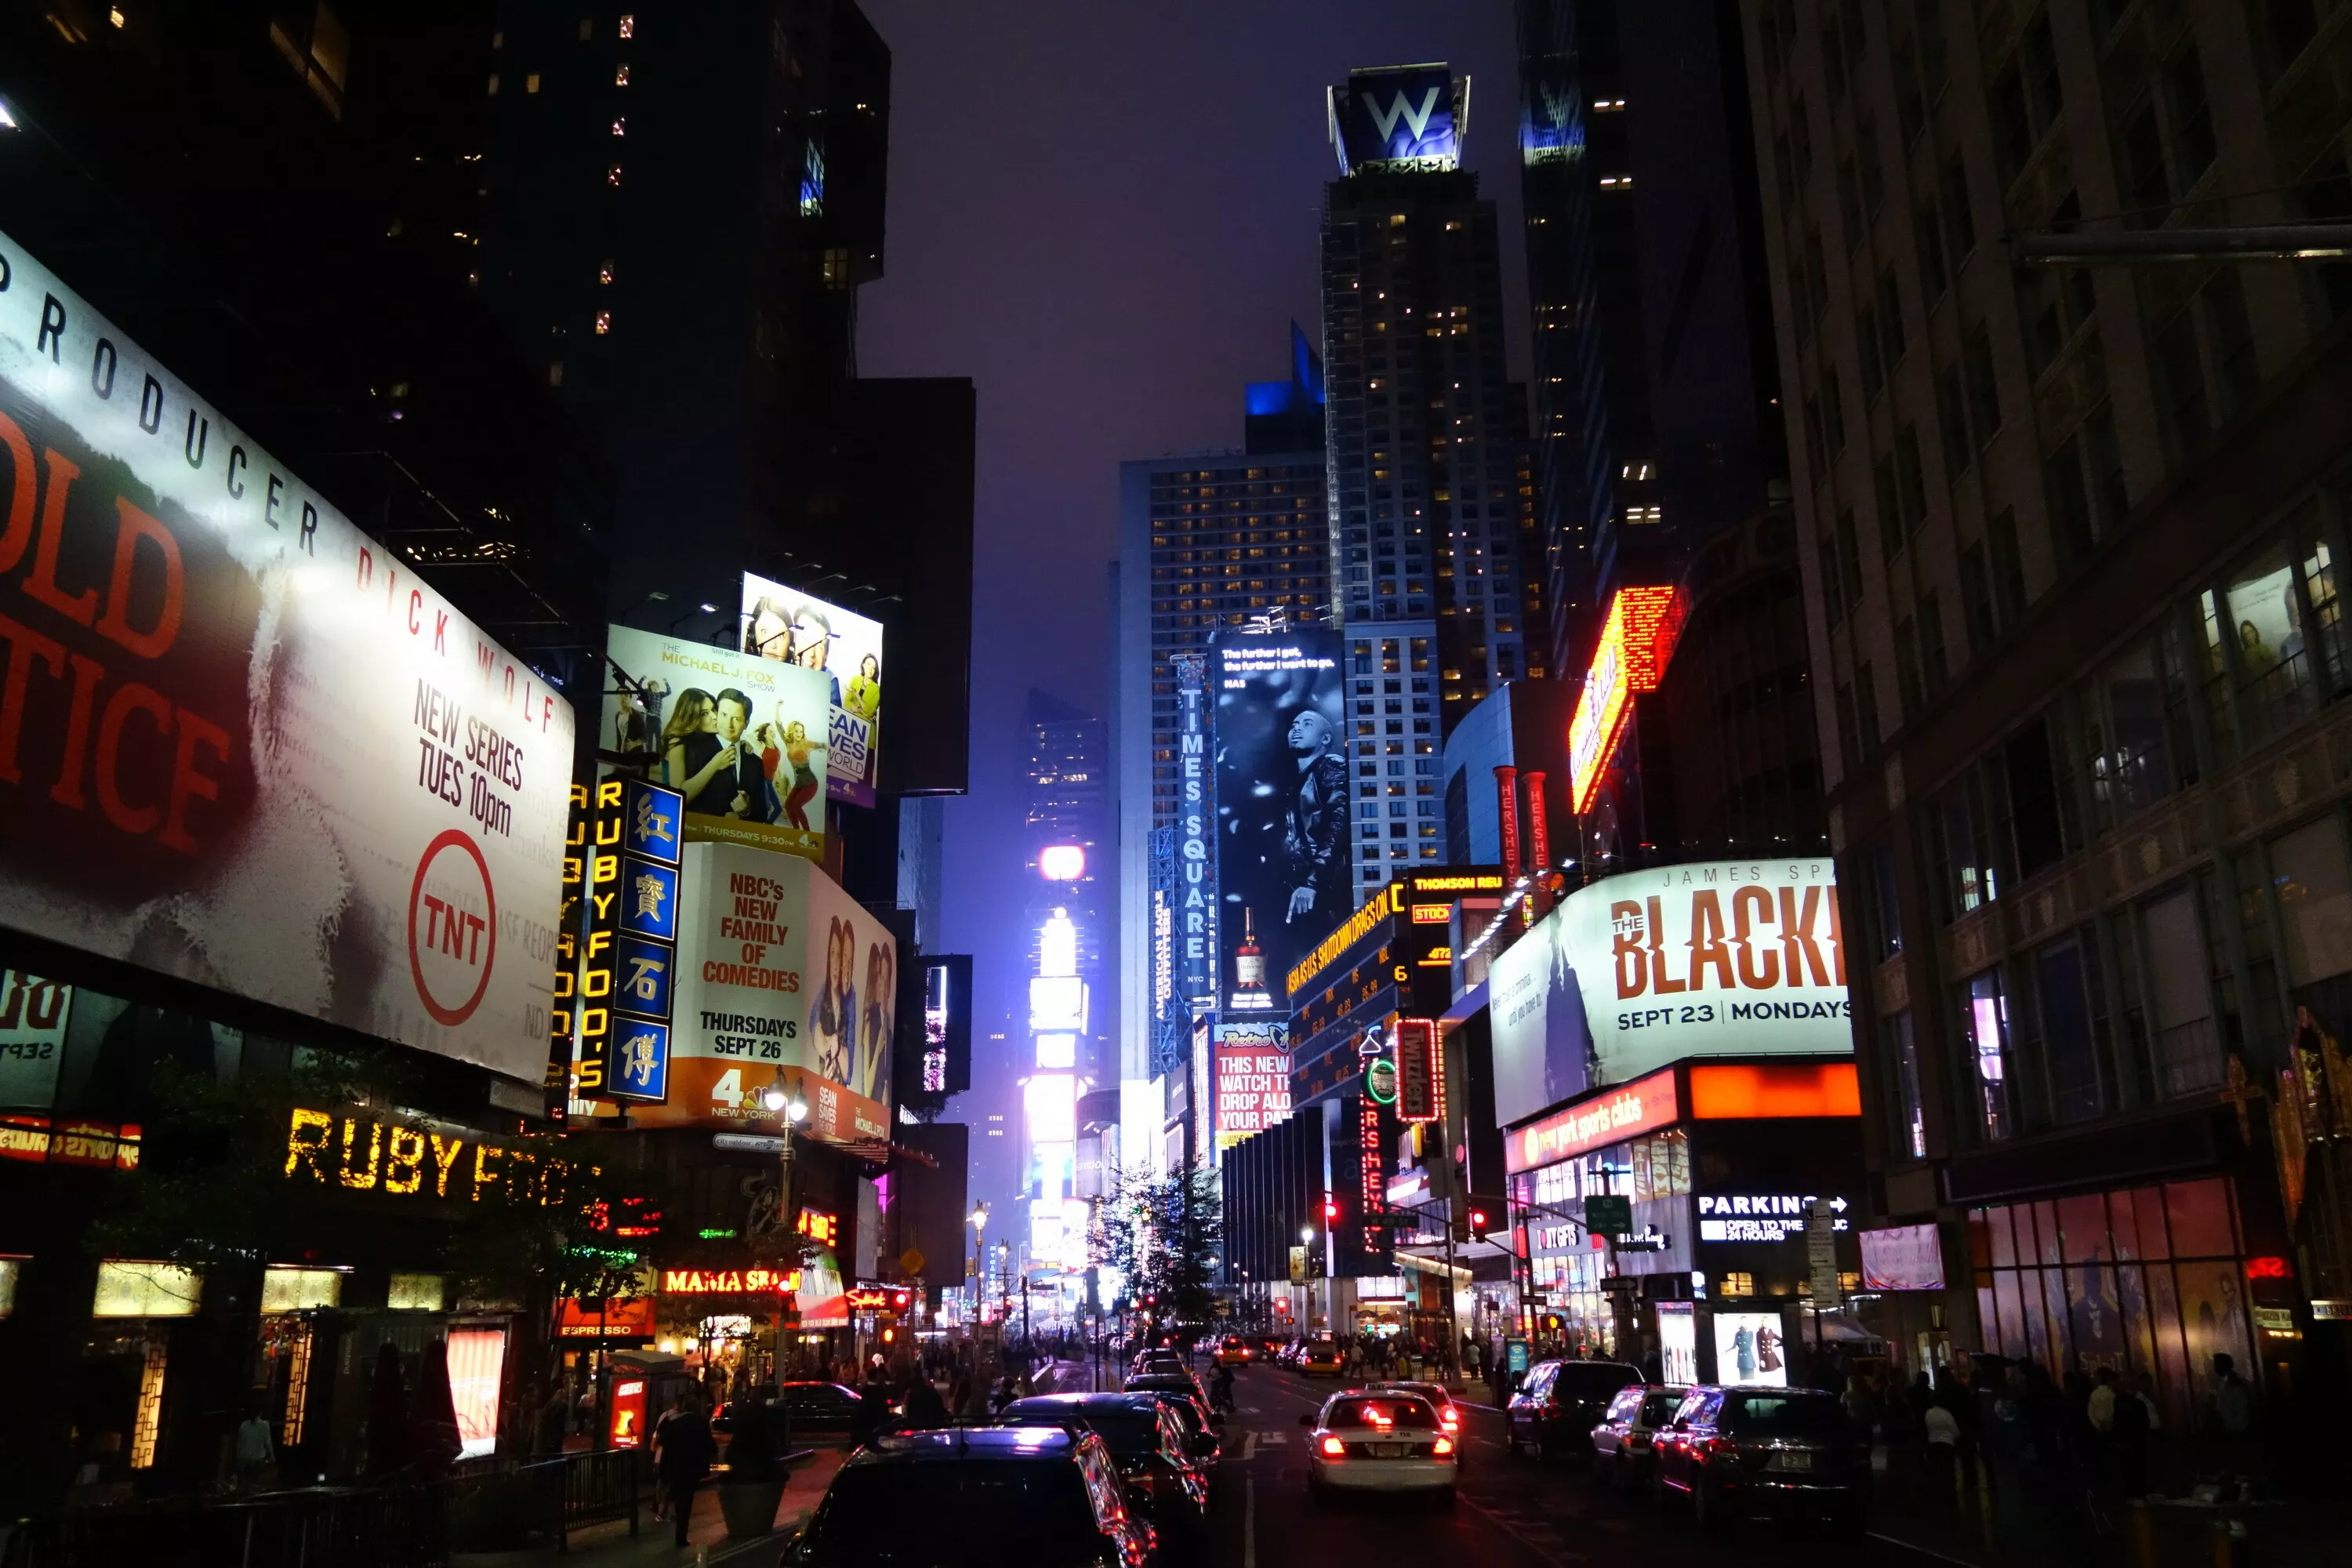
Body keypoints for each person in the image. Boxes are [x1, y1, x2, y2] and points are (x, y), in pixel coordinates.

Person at [1280, 707, 1348, 924]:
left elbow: (1338, 824)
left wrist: (1313, 882)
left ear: (1325, 738)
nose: (1296, 728)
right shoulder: (1298, 779)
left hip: (1325, 889)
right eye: (1293, 725)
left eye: (1306, 724)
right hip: (1305, 889)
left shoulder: (1331, 767)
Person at [654, 1397, 715, 1548]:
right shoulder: (701, 1424)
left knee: (678, 1495)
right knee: (686, 1499)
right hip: (693, 1467)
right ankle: (681, 1534)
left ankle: (676, 1526)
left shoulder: (675, 1424)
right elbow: (711, 1447)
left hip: (675, 1466)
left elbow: (662, 1440)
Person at [232, 1406, 274, 1492]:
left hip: (244, 1461)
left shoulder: (243, 1425)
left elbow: (239, 1445)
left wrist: (238, 1462)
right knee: (254, 1485)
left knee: (246, 1485)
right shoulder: (265, 1425)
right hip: (257, 1462)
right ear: (261, 1413)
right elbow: (268, 1442)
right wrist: (272, 1456)